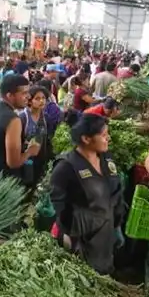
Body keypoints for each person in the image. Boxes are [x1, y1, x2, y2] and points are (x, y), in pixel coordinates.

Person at [49, 114, 125, 275]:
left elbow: (116, 192)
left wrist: (117, 224)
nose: (108, 139)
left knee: (104, 276)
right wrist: (70, 235)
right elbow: (60, 206)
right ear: (86, 138)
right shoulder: (66, 168)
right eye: (103, 135)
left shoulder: (107, 159)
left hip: (105, 237)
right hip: (80, 240)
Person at [0, 74, 40, 184]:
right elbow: (13, 162)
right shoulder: (13, 120)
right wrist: (30, 152)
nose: (29, 96)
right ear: (10, 95)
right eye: (24, 93)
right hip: (1, 182)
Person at [18, 86, 51, 186]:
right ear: (30, 101)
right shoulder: (23, 118)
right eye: (37, 98)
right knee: (26, 184)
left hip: (40, 159)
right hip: (25, 160)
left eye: (43, 98)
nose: (41, 101)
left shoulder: (46, 118)